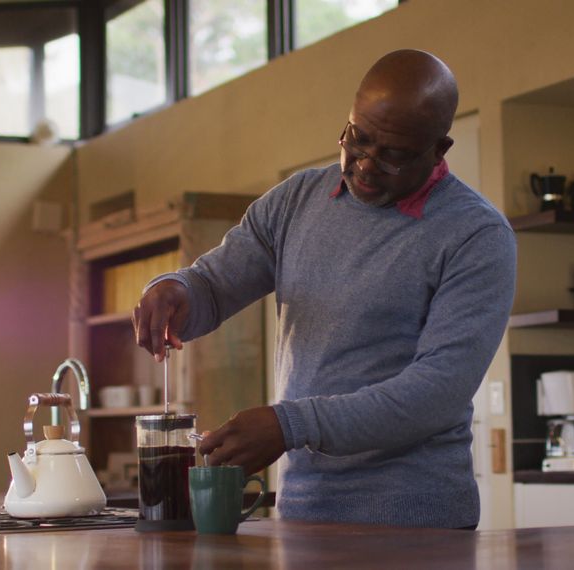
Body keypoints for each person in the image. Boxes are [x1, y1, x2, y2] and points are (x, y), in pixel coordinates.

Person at [132, 49, 516, 529]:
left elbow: (436, 391)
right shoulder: (297, 200)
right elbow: (211, 284)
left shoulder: (476, 236)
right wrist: (173, 288)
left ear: (440, 149)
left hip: (418, 523)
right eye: (358, 139)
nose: (366, 166)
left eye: (393, 155)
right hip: (304, 516)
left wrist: (290, 424)